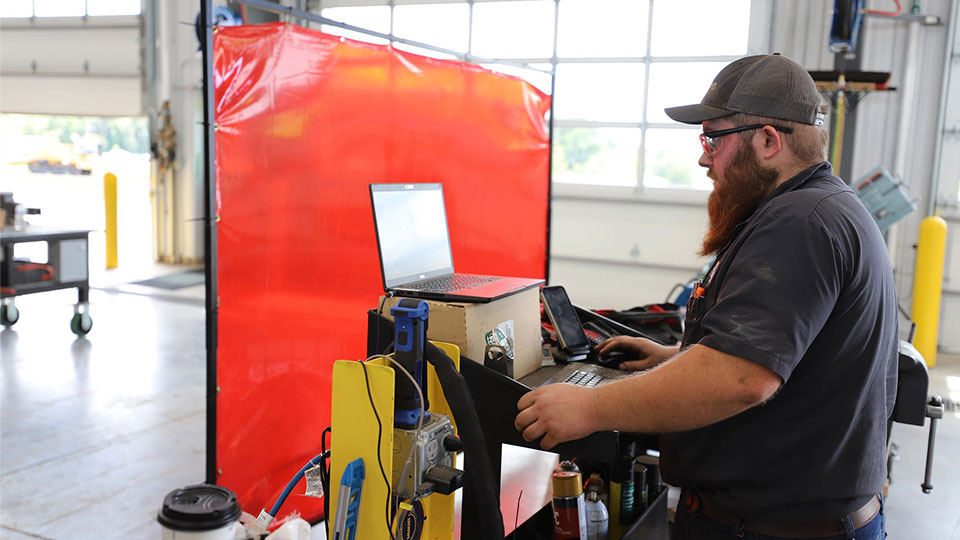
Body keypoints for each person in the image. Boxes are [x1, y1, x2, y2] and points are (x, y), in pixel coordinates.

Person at [515, 54, 898, 539]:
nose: (703, 157)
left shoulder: (799, 223)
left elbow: (740, 378)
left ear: (767, 140)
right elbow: (790, 356)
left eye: (713, 139)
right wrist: (676, 357)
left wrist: (587, 407)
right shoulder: (825, 207)